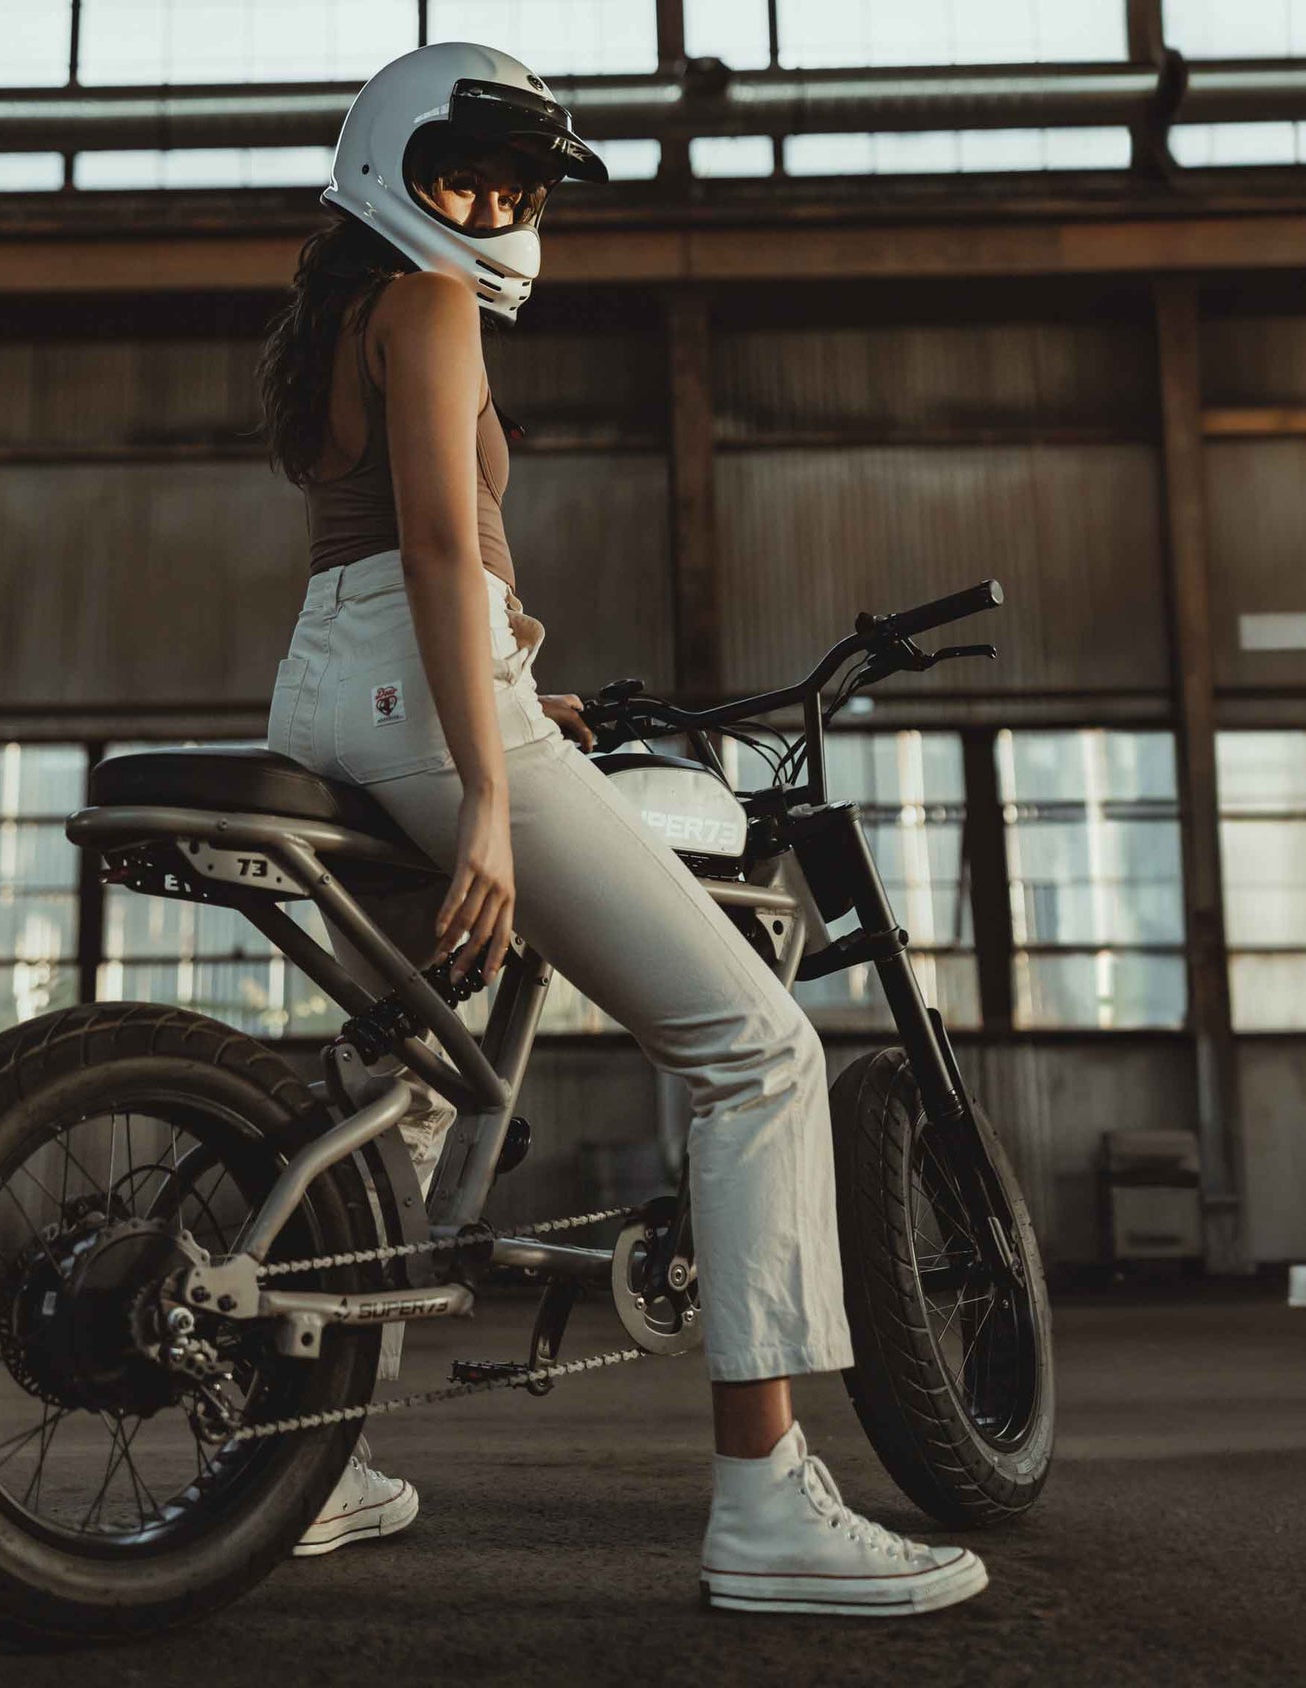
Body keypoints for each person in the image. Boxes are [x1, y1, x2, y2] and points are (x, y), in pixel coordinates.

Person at [253, 42, 989, 1617]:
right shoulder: (431, 301)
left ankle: (296, 1461)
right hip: (426, 697)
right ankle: (766, 1504)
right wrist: (496, 790)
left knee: (411, 1084)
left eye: (519, 186)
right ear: (399, 162)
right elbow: (443, 548)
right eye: (475, 175)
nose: (501, 207)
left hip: (334, 687)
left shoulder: (345, 314)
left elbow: (396, 557)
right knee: (757, 1049)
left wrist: (530, 694)